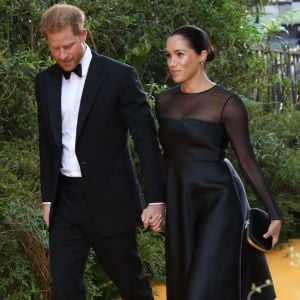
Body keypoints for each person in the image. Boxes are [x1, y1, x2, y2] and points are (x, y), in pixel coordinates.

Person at [35, 4, 165, 300]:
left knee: (131, 285)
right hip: (65, 198)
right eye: (54, 48)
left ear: (83, 34)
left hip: (111, 198)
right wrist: (47, 198)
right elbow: (47, 143)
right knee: (65, 289)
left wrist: (157, 199)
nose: (63, 54)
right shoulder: (44, 81)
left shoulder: (120, 76)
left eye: (68, 45)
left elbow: (146, 140)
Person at [154, 25, 282, 300]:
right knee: (184, 284)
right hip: (181, 202)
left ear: (202, 55)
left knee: (203, 290)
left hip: (220, 203)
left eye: (179, 54)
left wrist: (274, 214)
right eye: (168, 56)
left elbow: (247, 160)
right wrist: (157, 201)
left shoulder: (227, 103)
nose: (172, 63)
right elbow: (165, 157)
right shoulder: (163, 101)